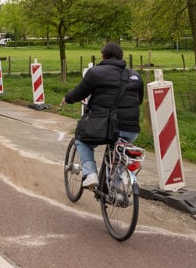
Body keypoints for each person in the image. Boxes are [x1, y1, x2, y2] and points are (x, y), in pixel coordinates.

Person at [60, 42, 144, 188]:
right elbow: (139, 100)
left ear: (103, 56)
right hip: (131, 128)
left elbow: (80, 92)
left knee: (82, 140)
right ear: (120, 57)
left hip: (106, 126)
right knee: (118, 153)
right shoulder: (135, 75)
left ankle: (90, 173)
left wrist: (68, 98)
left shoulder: (96, 72)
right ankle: (117, 188)